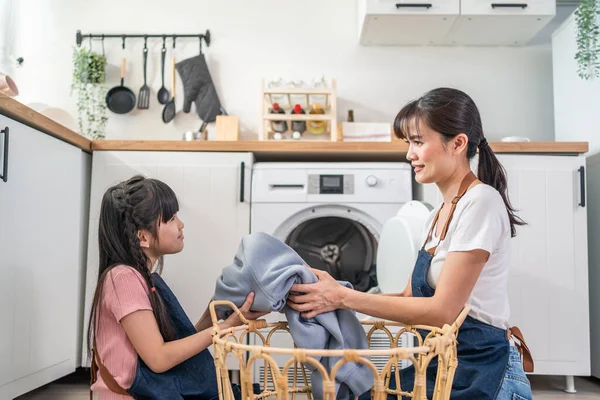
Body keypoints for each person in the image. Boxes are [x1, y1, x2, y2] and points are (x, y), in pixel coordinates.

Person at [287, 88, 534, 399]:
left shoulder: (481, 202)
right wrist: (330, 297)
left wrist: (342, 298)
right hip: (441, 365)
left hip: (483, 372)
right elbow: (408, 296)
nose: (409, 154)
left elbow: (443, 311)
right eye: (409, 143)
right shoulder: (437, 215)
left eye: (418, 142)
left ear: (457, 143)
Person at [87, 175, 266, 399]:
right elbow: (159, 359)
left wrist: (213, 316)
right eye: (170, 218)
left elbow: (171, 348)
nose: (180, 224)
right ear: (142, 236)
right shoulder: (124, 279)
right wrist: (227, 327)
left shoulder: (139, 277)